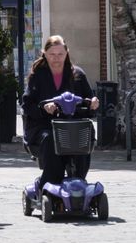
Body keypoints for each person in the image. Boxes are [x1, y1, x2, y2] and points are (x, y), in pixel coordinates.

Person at [22, 35, 99, 187]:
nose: (56, 59)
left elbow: (89, 101)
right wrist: (43, 108)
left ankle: (79, 180)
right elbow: (27, 105)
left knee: (85, 132)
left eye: (60, 54)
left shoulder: (77, 74)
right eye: (52, 54)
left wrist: (93, 104)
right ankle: (50, 181)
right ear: (44, 53)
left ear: (66, 53)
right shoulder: (38, 75)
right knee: (51, 138)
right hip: (43, 126)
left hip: (73, 124)